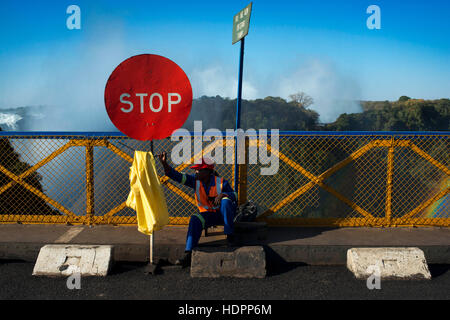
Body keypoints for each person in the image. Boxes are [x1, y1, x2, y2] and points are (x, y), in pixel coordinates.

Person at [158, 151, 237, 267]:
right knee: (195, 218)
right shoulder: (195, 181)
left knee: (226, 202)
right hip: (208, 216)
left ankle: (230, 236)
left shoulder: (221, 182)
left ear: (207, 172)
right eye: (196, 170)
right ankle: (188, 252)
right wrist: (164, 163)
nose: (196, 172)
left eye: (199, 170)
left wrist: (223, 195)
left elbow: (235, 195)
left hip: (223, 216)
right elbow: (176, 176)